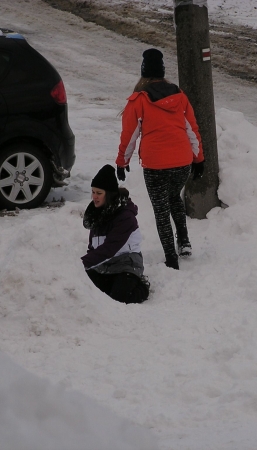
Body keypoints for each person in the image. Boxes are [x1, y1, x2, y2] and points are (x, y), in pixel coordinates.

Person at [115, 48, 205, 270]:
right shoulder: (179, 95)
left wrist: (121, 162)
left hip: (155, 165)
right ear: (163, 72)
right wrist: (198, 158)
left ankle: (171, 260)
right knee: (174, 196)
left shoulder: (139, 100)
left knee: (161, 210)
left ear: (144, 72)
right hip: (182, 162)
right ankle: (183, 242)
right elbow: (191, 130)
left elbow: (129, 136)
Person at [81, 164, 149, 304]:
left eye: (99, 193)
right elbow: (93, 248)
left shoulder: (125, 217)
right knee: (83, 288)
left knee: (118, 297)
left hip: (126, 265)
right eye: (93, 192)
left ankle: (141, 286)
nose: (94, 197)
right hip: (104, 266)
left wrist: (79, 263)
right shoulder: (97, 213)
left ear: (109, 194)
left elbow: (109, 249)